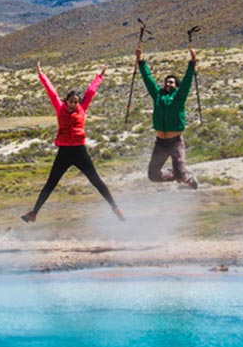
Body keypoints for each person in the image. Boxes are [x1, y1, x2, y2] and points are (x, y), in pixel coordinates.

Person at [21, 63, 124, 223]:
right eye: (71, 101)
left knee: (96, 180)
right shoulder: (59, 108)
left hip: (79, 152)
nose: (73, 103)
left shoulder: (82, 109)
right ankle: (34, 213)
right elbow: (52, 92)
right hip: (64, 152)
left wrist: (100, 76)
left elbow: (91, 91)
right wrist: (42, 75)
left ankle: (115, 208)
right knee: (51, 183)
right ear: (66, 100)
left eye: (76, 101)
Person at [136, 46, 199, 190]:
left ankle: (186, 177)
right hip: (160, 143)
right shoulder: (158, 95)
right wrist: (141, 61)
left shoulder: (179, 97)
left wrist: (192, 63)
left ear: (177, 86)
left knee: (183, 175)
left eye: (171, 82)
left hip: (175, 143)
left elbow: (188, 81)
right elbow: (148, 80)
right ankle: (176, 174)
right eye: (166, 82)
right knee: (153, 175)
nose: (167, 84)